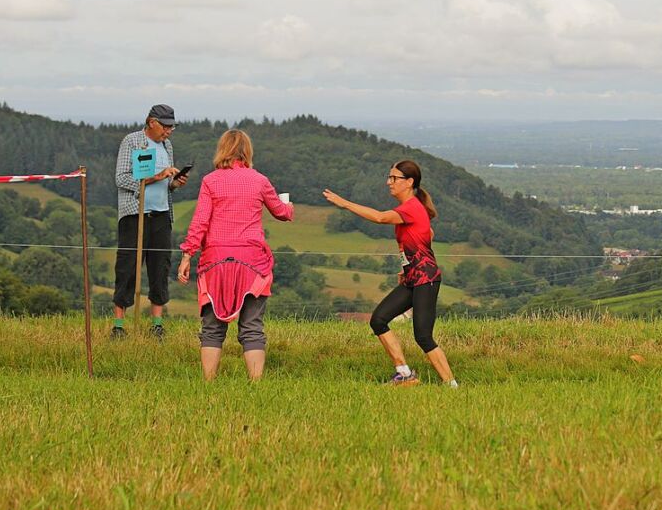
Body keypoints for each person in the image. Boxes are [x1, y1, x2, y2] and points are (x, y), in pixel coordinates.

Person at [324, 160, 458, 387]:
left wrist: (344, 203)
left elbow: (379, 217)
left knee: (423, 336)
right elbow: (429, 233)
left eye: (394, 178)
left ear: (409, 182)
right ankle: (404, 374)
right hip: (412, 278)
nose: (389, 182)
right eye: (389, 177)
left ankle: (452, 386)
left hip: (426, 280)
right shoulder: (413, 208)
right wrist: (406, 266)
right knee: (379, 320)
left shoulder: (411, 207)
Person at [177, 129, 294, 381]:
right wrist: (289, 207)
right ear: (247, 151)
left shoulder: (211, 181)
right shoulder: (259, 180)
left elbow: (200, 222)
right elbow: (281, 212)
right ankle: (255, 384)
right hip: (252, 263)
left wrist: (187, 255)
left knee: (212, 327)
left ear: (222, 150)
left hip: (215, 262)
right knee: (252, 326)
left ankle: (208, 383)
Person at [112, 103, 188, 339]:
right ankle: (119, 326)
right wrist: (155, 178)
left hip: (161, 213)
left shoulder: (167, 145)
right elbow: (121, 178)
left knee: (160, 267)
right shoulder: (132, 141)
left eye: (172, 127)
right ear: (151, 122)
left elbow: (166, 185)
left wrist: (174, 184)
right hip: (135, 214)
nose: (168, 131)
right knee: (127, 267)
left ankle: (157, 324)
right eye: (165, 126)